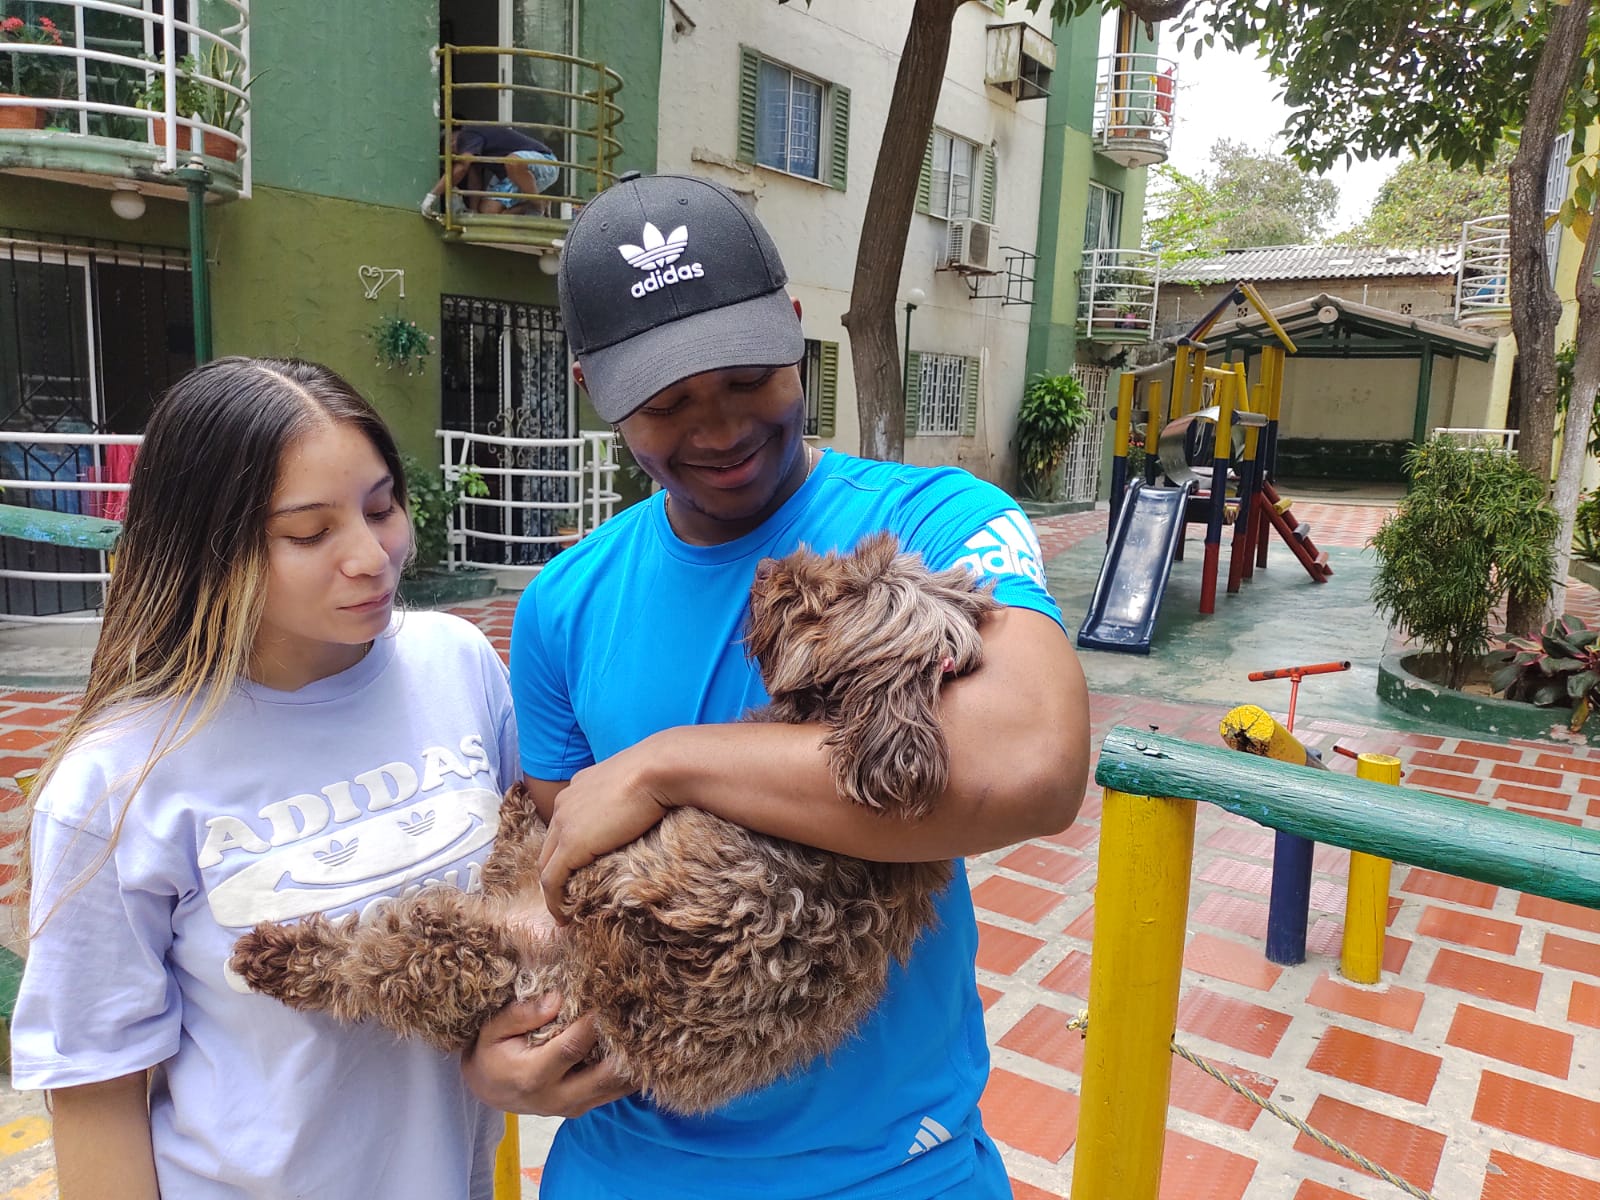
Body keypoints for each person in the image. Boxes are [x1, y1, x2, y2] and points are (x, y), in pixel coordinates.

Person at [463, 172, 1093, 1198]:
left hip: (892, 1164)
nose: (716, 430)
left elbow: (1029, 766)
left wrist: (669, 765)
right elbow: (560, 881)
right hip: (632, 1158)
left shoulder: (931, 525)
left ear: (795, 333)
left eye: (748, 377)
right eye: (665, 403)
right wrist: (504, 1047)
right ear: (595, 392)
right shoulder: (564, 603)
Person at [10, 358, 520, 1200]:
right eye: (309, 533)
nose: (371, 557)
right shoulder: (116, 782)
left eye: (381, 507)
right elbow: (96, 1088)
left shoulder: (455, 664)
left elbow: (519, 901)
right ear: (208, 545)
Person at [422, 123, 560, 217]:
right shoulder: (474, 151)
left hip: (545, 163)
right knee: (488, 212)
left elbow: (462, 168)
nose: (452, 158)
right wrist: (474, 212)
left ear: (451, 141)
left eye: (449, 153)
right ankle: (533, 205)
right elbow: (474, 182)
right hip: (514, 175)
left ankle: (536, 205)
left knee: (513, 161)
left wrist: (432, 196)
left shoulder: (467, 136)